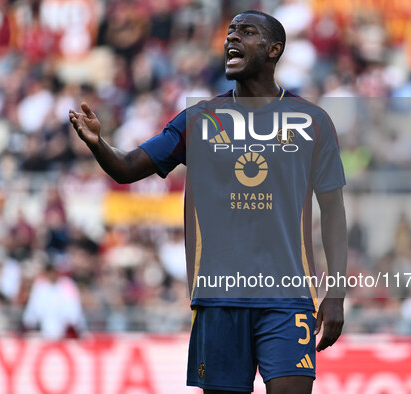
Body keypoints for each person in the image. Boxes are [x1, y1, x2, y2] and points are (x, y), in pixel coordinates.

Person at [70, 10, 347, 394]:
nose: (231, 38)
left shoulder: (311, 121)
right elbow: (128, 168)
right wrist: (98, 144)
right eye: (230, 31)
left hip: (288, 297)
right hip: (219, 297)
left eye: (246, 32)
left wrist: (335, 294)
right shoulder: (199, 120)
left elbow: (333, 210)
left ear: (273, 50)